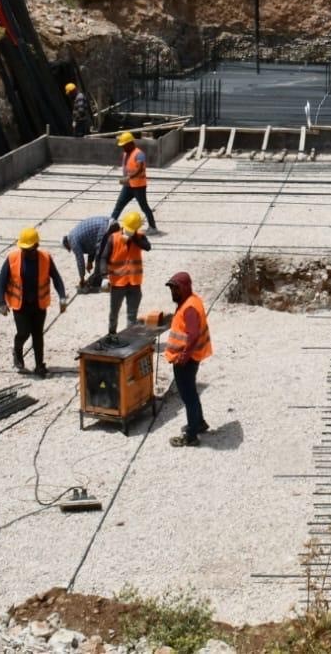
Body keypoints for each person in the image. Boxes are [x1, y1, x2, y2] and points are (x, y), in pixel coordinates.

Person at [0, 228, 68, 377]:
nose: (25, 251)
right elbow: (1, 280)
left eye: (28, 249)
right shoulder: (12, 258)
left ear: (36, 246)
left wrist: (62, 296)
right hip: (20, 304)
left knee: (37, 334)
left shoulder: (45, 258)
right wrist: (1, 302)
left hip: (38, 304)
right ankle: (17, 351)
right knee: (24, 332)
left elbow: (56, 278)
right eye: (23, 248)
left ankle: (39, 365)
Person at [164, 271, 213, 448]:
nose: (173, 293)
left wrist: (183, 358)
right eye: (171, 289)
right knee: (191, 392)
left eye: (175, 289)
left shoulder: (190, 307)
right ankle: (199, 423)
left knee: (188, 396)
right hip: (191, 358)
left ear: (184, 288)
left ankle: (192, 435)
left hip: (186, 360)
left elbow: (192, 335)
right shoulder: (190, 301)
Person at [94, 210, 151, 334]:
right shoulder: (113, 238)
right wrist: (104, 276)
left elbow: (147, 247)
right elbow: (103, 258)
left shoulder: (140, 236)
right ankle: (112, 335)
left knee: (132, 315)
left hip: (134, 283)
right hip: (118, 284)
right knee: (114, 312)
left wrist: (134, 238)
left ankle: (129, 336)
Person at [110, 132, 158, 233]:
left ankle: (153, 227)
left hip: (139, 186)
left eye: (124, 145)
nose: (123, 147)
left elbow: (140, 169)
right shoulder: (125, 154)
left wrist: (128, 177)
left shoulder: (139, 154)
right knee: (119, 205)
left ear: (130, 143)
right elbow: (127, 167)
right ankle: (110, 224)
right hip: (128, 186)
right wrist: (125, 178)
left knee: (144, 207)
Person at [62, 214, 118, 290]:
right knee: (107, 251)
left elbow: (80, 261)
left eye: (69, 249)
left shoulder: (73, 241)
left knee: (100, 255)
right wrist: (90, 262)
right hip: (112, 223)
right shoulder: (74, 234)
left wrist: (82, 278)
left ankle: (98, 280)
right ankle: (110, 272)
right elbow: (92, 245)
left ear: (67, 245)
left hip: (105, 227)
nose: (71, 250)